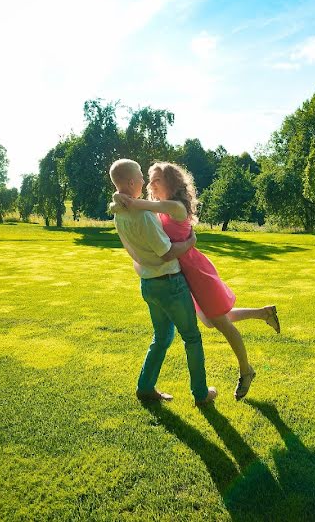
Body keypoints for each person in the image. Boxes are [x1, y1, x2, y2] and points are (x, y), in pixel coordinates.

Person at [112, 161, 280, 400]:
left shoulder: (176, 207)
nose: (149, 184)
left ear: (171, 182)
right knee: (211, 320)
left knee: (220, 323)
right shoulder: (157, 210)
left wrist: (121, 197)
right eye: (147, 178)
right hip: (181, 273)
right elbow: (139, 205)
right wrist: (119, 195)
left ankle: (246, 369)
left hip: (195, 272)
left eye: (155, 179)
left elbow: (138, 203)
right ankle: (263, 313)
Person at [108, 158, 218, 406]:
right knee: (191, 337)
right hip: (169, 282)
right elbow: (167, 252)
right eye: (141, 176)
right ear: (132, 182)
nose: (145, 181)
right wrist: (190, 243)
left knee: (162, 337)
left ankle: (145, 387)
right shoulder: (143, 216)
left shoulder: (119, 213)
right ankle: (201, 394)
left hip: (148, 284)